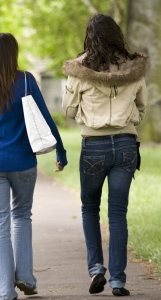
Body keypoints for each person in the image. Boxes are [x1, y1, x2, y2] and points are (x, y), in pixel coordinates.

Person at [0, 33, 68, 300]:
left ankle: (5, 291)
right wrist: (61, 151)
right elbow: (46, 119)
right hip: (23, 164)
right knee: (21, 216)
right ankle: (26, 277)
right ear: (13, 54)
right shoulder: (27, 82)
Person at [62, 13, 148, 297]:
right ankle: (119, 281)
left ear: (90, 36)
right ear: (116, 35)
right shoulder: (134, 67)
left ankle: (97, 268)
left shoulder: (78, 69)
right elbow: (142, 108)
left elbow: (69, 110)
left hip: (93, 147)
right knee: (118, 213)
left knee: (89, 209)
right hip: (125, 145)